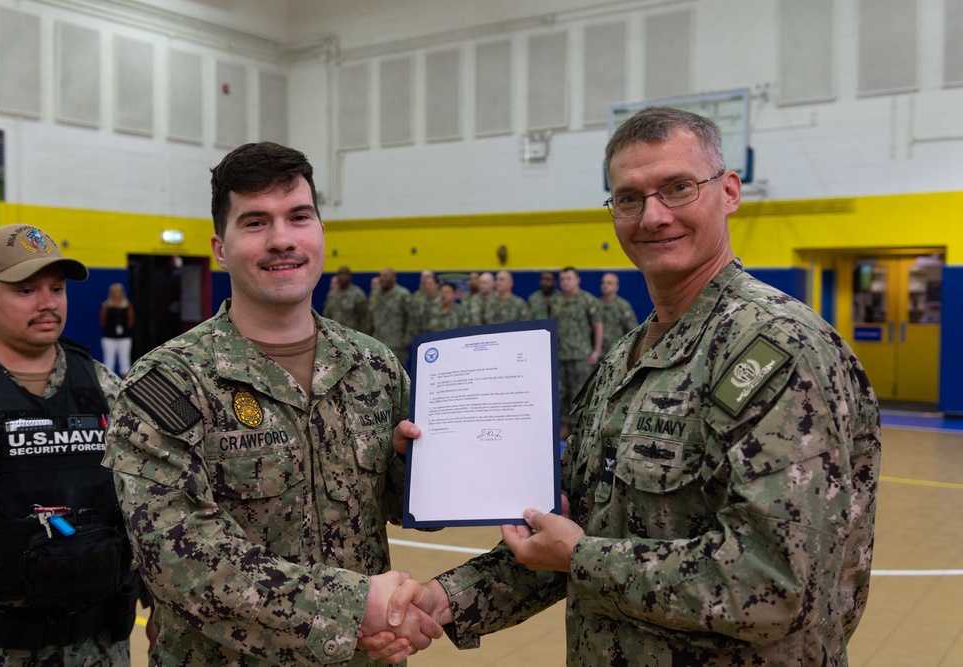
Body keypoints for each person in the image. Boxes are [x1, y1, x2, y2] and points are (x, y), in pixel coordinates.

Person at [365, 106, 881, 666]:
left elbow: (773, 582)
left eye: (678, 188)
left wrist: (582, 557)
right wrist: (444, 600)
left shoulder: (778, 350)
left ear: (729, 191)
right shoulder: (626, 362)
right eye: (629, 199)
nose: (652, 216)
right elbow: (574, 532)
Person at [102, 143, 442, 665]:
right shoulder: (169, 383)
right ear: (220, 247)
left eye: (299, 217)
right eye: (256, 222)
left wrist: (409, 462)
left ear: (321, 232)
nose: (283, 239)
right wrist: (352, 608)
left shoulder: (372, 366)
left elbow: (404, 506)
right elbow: (177, 559)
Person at [0, 224, 143, 665]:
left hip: (99, 645)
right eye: (26, 290)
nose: (48, 303)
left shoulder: (104, 385)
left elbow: (143, 503)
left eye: (56, 289)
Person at [551, 266, 603, 440]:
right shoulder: (555, 301)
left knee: (579, 393)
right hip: (560, 355)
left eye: (568, 278)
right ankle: (565, 425)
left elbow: (598, 325)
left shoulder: (587, 300)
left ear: (577, 280)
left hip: (581, 355)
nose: (565, 282)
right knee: (561, 393)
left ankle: (579, 428)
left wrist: (596, 350)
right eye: (562, 279)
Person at [369, 267, 414, 367]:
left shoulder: (403, 294)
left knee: (396, 376)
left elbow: (411, 318)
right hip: (377, 343)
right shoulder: (375, 294)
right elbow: (369, 318)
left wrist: (407, 340)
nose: (382, 278)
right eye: (381, 275)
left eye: (386, 276)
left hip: (396, 345)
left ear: (393, 278)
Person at [99, 282, 135, 378]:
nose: (117, 293)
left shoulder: (128, 305)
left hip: (124, 338)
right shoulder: (106, 305)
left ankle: (125, 386)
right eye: (114, 291)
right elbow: (102, 321)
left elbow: (131, 321)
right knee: (109, 362)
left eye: (119, 291)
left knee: (125, 362)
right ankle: (108, 386)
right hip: (109, 338)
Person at [598, 272, 638, 355]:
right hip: (599, 354)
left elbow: (632, 330)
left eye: (609, 283)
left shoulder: (623, 306)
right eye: (603, 282)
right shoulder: (596, 304)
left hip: (617, 353)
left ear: (616, 287)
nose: (605, 285)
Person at [323, 265, 370, 333]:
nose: (342, 277)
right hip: (335, 335)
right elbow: (326, 316)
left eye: (344, 274)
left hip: (353, 336)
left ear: (350, 276)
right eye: (340, 274)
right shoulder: (331, 294)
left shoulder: (357, 294)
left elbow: (365, 318)